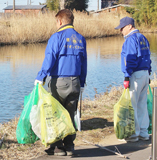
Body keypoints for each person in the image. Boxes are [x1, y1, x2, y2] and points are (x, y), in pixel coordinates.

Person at [34, 9, 87, 155]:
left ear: (60, 21)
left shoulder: (57, 37)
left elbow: (49, 59)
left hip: (59, 82)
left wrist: (41, 77)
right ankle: (69, 146)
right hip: (75, 82)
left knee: (55, 114)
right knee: (70, 114)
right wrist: (81, 83)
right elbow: (84, 63)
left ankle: (57, 147)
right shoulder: (81, 38)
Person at [115, 17, 152, 142]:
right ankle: (143, 132)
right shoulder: (142, 38)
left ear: (130, 26)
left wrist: (127, 76)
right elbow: (148, 56)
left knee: (133, 105)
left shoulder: (130, 39)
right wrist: (149, 72)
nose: (121, 31)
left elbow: (130, 59)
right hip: (145, 73)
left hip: (135, 75)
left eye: (122, 28)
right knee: (142, 104)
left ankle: (134, 134)